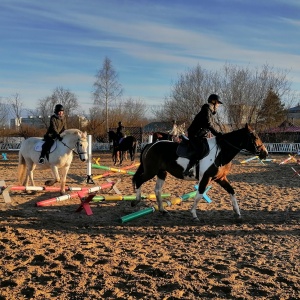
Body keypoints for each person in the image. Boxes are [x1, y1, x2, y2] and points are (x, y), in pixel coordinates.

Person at [183, 94, 223, 176]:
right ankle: (189, 169)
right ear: (213, 102)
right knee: (200, 149)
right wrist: (217, 134)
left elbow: (213, 125)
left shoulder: (209, 111)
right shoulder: (206, 110)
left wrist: (219, 132)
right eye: (218, 103)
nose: (218, 106)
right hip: (194, 134)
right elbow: (209, 125)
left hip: (200, 135)